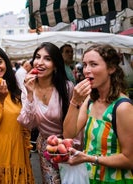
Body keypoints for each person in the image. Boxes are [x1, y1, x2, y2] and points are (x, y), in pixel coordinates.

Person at [63, 44, 133, 183]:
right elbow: (68, 134)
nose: (87, 70)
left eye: (93, 64)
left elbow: (129, 159)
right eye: (85, 65)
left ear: (111, 68)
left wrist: (90, 158)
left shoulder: (123, 107)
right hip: (90, 178)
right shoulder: (90, 100)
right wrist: (74, 101)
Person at [17, 42, 74, 184]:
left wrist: (74, 147)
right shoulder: (28, 87)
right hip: (46, 146)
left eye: (47, 59)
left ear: (55, 65)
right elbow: (27, 123)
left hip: (69, 144)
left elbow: (75, 118)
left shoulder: (67, 87)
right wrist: (30, 94)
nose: (40, 63)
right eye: (37, 57)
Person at [0, 44, 35, 184]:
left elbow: (25, 122)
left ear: (6, 62)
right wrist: (0, 100)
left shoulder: (16, 89)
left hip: (18, 154)